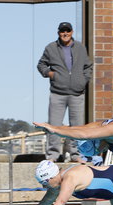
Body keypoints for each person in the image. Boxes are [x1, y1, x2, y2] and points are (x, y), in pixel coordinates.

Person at [37, 22, 93, 162]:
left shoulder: (80, 47)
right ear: (58, 33)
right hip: (57, 93)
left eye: (67, 31)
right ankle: (53, 156)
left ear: (72, 32)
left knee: (77, 127)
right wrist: (51, 74)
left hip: (77, 93)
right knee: (54, 126)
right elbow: (41, 64)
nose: (65, 33)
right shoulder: (50, 48)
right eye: (62, 31)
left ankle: (76, 155)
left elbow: (88, 66)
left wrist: (83, 80)